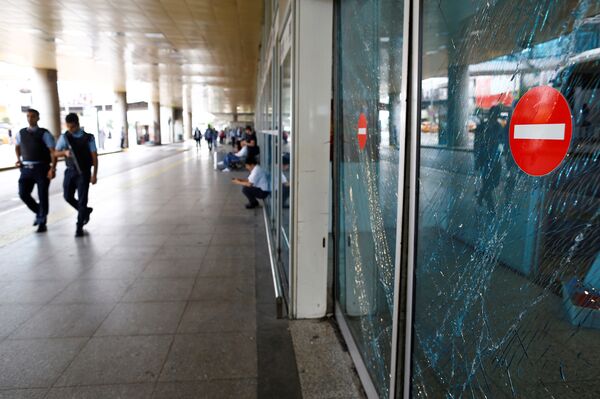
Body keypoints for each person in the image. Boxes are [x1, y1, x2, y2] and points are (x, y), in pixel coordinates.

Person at [55, 113, 98, 237]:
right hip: (70, 171)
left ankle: (79, 226)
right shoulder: (65, 137)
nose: (70, 130)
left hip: (84, 172)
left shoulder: (88, 137)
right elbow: (55, 154)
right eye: (68, 127)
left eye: (72, 127)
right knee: (67, 196)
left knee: (82, 200)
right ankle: (85, 211)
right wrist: (64, 152)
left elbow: (94, 157)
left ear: (78, 124)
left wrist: (94, 174)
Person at [14, 108, 56, 233]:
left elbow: (53, 152)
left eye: (33, 116)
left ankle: (42, 221)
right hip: (26, 169)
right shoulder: (20, 133)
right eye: (28, 116)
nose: (30, 118)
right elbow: (17, 147)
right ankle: (40, 213)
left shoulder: (44, 133)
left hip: (42, 168)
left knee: (42, 195)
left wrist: (52, 168)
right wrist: (18, 159)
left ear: (38, 118)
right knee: (23, 193)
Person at [473, 105, 503, 213]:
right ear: (490, 114)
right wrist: (477, 161)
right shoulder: (482, 127)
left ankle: (480, 196)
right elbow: (476, 145)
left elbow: (501, 142)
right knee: (487, 183)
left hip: (495, 160)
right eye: (493, 114)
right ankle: (491, 209)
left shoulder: (499, 127)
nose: (495, 117)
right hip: (485, 160)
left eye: (496, 115)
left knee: (494, 183)